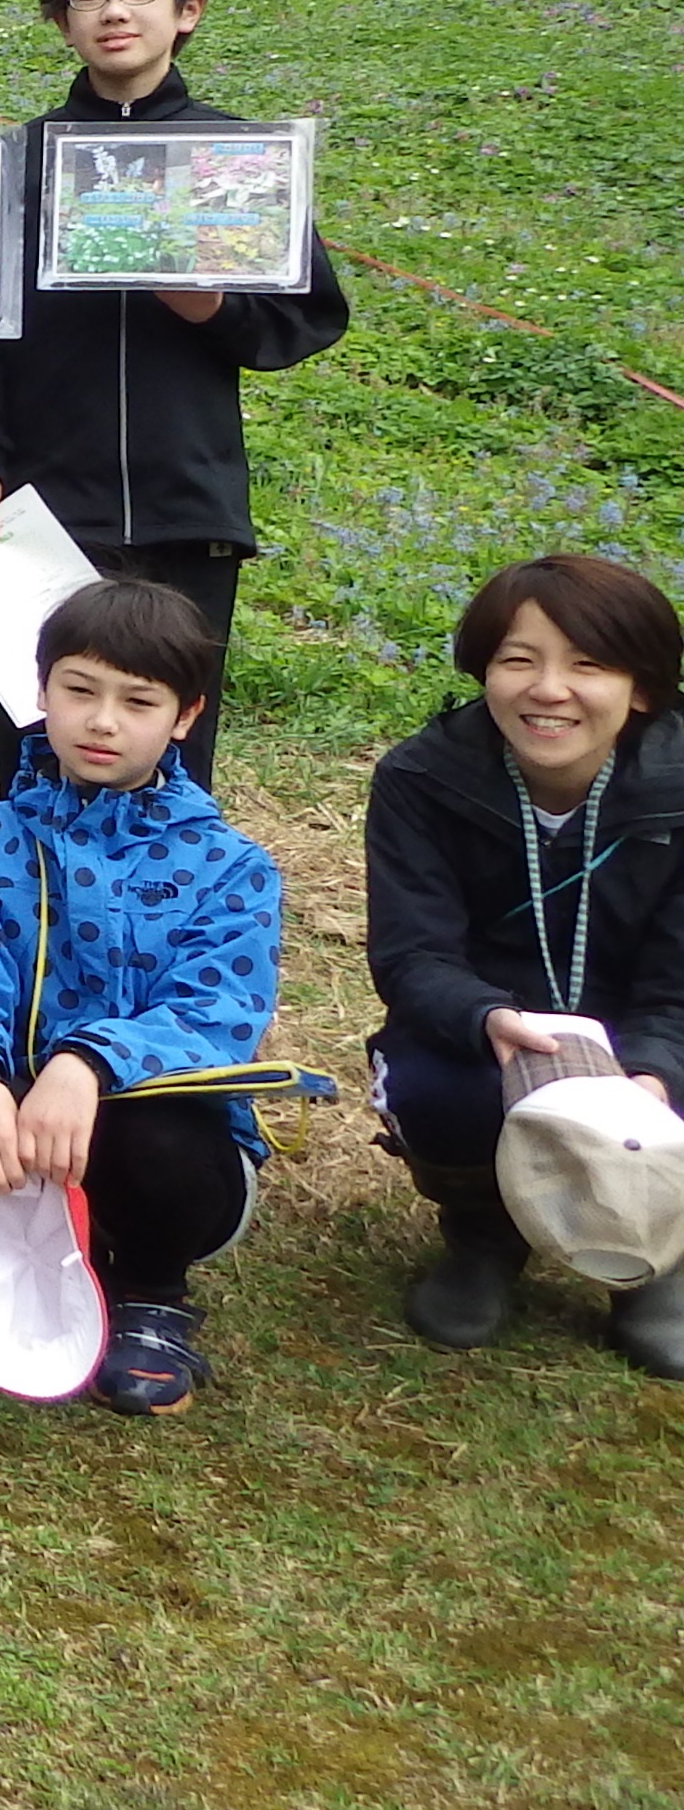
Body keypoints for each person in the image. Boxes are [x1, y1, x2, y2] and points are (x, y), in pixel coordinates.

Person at [0, 0, 349, 785]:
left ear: (187, 9)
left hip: (185, 506)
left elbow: (304, 320)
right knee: (38, 734)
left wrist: (211, 308)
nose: (115, 11)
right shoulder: (20, 164)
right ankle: (36, 910)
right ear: (62, 21)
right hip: (45, 512)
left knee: (170, 744)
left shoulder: (240, 161)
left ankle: (165, 920)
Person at [0, 577, 285, 1414]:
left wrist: (85, 1063)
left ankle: (151, 1285)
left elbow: (215, 1018)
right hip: (23, 1140)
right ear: (41, 693)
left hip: (168, 1147)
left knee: (150, 1131)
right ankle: (32, 1243)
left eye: (137, 701)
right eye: (79, 691)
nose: (103, 721)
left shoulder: (232, 867)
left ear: (185, 715)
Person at [366, 555, 684, 1373]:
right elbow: (412, 954)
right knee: (432, 1079)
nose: (549, 689)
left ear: (641, 689)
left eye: (588, 665)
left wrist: (647, 1076)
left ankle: (659, 1250)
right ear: (484, 672)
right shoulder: (423, 779)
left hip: (642, 1029)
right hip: (504, 1025)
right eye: (519, 659)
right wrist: (490, 1020)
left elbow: (677, 981)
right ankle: (485, 1234)